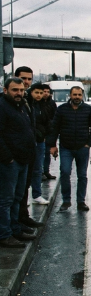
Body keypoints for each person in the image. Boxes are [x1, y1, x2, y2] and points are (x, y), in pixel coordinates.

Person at [47, 86, 91, 212]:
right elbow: (55, 128)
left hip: (82, 148)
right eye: (74, 94)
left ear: (82, 96)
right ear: (70, 95)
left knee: (82, 176)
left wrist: (89, 144)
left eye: (79, 95)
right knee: (65, 173)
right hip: (66, 148)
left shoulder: (88, 109)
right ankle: (66, 201)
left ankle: (81, 202)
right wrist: (52, 145)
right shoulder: (62, 109)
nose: (77, 97)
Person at [0, 77, 37, 247]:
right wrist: (8, 157)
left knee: (17, 197)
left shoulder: (21, 106)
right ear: (5, 90)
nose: (19, 93)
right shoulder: (2, 107)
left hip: (23, 159)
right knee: (6, 199)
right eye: (15, 90)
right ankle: (4, 234)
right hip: (10, 162)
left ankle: (15, 229)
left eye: (22, 90)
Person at [14, 66, 45, 231]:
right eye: (23, 78)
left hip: (28, 151)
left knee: (24, 188)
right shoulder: (14, 100)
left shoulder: (28, 100)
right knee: (13, 192)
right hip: (15, 154)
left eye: (29, 79)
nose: (26, 82)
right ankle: (15, 224)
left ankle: (23, 217)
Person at [28, 83, 51, 205]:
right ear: (31, 92)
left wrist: (45, 134)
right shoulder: (27, 104)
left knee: (37, 169)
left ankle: (36, 195)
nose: (39, 95)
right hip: (28, 141)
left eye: (41, 93)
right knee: (26, 169)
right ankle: (22, 197)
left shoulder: (43, 106)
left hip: (40, 141)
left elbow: (47, 122)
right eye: (36, 92)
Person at [40, 84, 57, 180]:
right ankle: (41, 172)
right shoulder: (38, 103)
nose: (46, 94)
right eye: (44, 92)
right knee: (40, 153)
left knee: (47, 153)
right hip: (40, 132)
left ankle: (46, 171)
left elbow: (55, 117)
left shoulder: (52, 103)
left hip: (49, 131)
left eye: (47, 92)